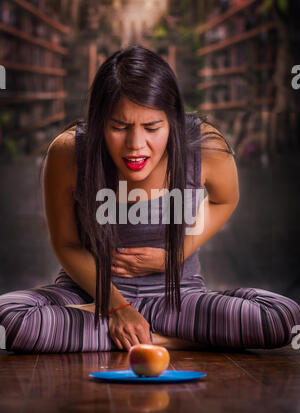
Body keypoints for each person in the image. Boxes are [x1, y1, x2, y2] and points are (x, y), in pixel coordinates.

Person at [0, 45, 299, 353]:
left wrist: (178, 252)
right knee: (9, 321)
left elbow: (224, 200)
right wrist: (116, 308)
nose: (135, 145)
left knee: (281, 318)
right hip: (90, 298)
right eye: (119, 127)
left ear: (173, 121)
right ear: (99, 120)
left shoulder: (206, 147)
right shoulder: (68, 152)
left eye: (152, 127)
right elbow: (66, 243)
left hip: (176, 298)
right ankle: (168, 337)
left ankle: (147, 339)